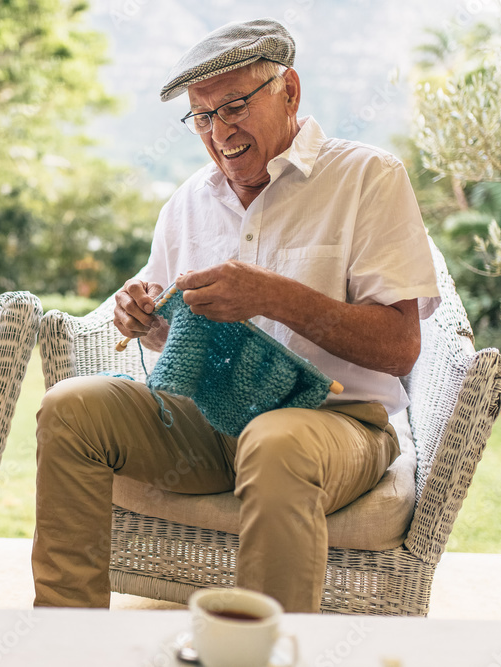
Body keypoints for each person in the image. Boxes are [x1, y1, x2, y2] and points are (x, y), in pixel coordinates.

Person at [32, 18, 440, 612]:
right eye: (202, 116)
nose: (219, 131)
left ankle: (258, 648)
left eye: (235, 106)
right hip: (210, 420)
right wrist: (148, 322)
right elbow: (178, 335)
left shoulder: (367, 178)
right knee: (69, 408)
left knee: (276, 442)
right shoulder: (188, 202)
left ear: (290, 91)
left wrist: (273, 296)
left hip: (338, 420)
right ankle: (64, 637)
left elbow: (401, 347)